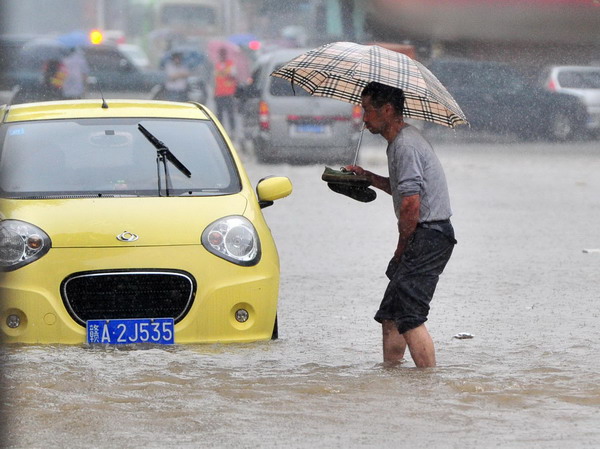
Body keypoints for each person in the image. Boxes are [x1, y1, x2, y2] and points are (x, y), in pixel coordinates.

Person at [345, 82, 456, 368]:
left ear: (388, 110)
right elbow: (403, 190)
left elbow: (411, 206)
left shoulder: (405, 145)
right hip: (428, 234)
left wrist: (400, 249)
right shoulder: (400, 142)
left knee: (410, 317)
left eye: (367, 110)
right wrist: (368, 177)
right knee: (391, 314)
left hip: (429, 235)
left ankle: (427, 387)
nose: (364, 118)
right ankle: (393, 378)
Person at [213, 48, 238, 134]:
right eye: (221, 54)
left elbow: (234, 76)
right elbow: (215, 80)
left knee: (230, 114)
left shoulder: (230, 64)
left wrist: (226, 73)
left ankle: (232, 131)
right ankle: (220, 132)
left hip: (229, 94)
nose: (222, 56)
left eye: (223, 54)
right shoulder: (217, 65)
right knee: (220, 115)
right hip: (219, 94)